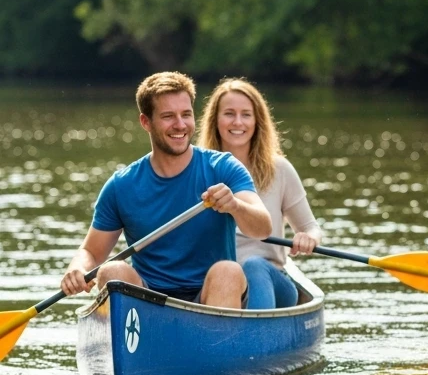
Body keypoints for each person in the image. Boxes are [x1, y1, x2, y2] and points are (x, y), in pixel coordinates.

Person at [61, 72, 272, 308]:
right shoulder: (121, 186)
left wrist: (235, 206)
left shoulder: (223, 167)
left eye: (186, 115)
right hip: (149, 302)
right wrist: (77, 267)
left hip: (209, 297)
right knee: (112, 271)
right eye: (168, 116)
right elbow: (91, 251)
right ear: (146, 122)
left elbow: (262, 228)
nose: (180, 125)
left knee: (229, 271)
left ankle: (217, 341)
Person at [198, 77, 322, 309]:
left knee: (254, 266)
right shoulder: (199, 170)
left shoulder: (280, 169)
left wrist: (308, 238)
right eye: (229, 114)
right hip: (219, 286)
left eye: (246, 114)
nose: (238, 122)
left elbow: (310, 227)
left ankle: (254, 337)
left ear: (257, 121)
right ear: (215, 120)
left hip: (271, 280)